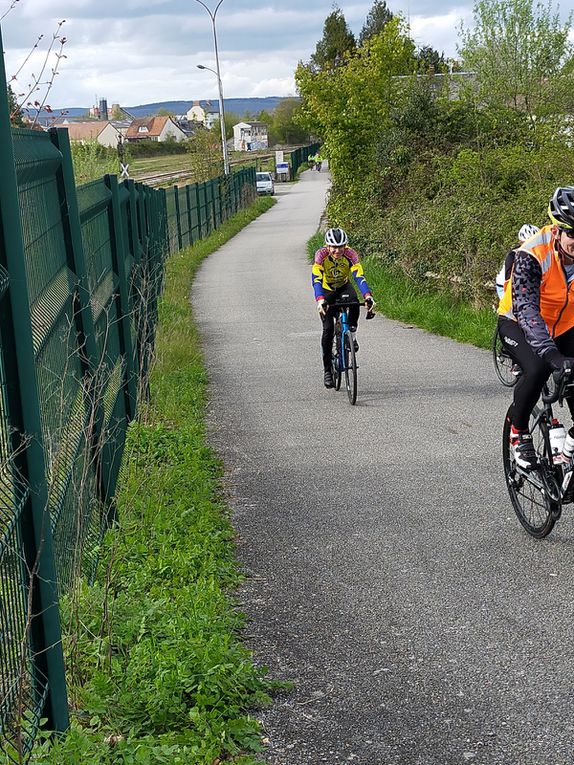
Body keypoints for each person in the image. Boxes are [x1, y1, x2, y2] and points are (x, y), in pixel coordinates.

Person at [497, 187, 574, 469]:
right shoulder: (532, 254)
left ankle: (567, 455)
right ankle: (518, 432)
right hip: (517, 322)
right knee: (539, 368)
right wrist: (552, 355)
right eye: (573, 234)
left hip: (565, 325)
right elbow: (527, 309)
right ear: (557, 230)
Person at [312, 227, 375, 388]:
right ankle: (327, 370)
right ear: (327, 246)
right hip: (326, 290)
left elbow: (359, 276)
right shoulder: (320, 256)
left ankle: (351, 336)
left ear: (345, 246)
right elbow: (317, 279)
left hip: (344, 286)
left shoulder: (351, 254)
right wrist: (320, 300)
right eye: (333, 247)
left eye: (341, 246)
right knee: (328, 330)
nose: (337, 250)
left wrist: (367, 296)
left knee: (354, 303)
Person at [495, 223, 540, 300]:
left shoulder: (538, 253)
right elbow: (508, 277)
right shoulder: (513, 255)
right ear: (521, 242)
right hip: (504, 285)